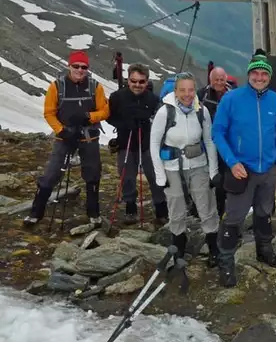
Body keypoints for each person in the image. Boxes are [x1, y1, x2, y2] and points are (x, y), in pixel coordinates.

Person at [212, 54, 276, 287]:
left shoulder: (275, 100)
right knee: (234, 218)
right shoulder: (231, 99)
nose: (259, 77)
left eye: (264, 74)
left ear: (269, 77)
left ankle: (264, 251)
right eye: (255, 73)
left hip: (267, 168)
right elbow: (217, 133)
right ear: (248, 75)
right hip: (241, 170)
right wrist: (232, 162)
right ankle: (225, 263)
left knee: (264, 213)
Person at [24, 51, 110, 226]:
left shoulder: (96, 87)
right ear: (68, 66)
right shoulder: (57, 86)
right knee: (52, 173)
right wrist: (61, 131)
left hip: (89, 137)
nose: (80, 70)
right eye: (76, 66)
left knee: (93, 174)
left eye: (83, 67)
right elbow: (49, 113)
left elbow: (105, 111)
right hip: (65, 137)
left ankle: (94, 213)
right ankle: (35, 213)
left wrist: (89, 117)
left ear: (88, 68)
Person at [149, 72, 219, 264]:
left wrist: (213, 172)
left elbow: (209, 142)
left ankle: (214, 248)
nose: (187, 94)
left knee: (206, 207)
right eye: (183, 90)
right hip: (172, 168)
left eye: (190, 90)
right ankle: (178, 248)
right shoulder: (165, 112)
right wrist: (160, 176)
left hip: (199, 165)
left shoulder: (201, 110)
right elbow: (154, 145)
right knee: (176, 209)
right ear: (175, 90)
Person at [106, 63, 168, 225]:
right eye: (134, 81)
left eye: (141, 82)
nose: (137, 85)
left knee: (155, 178)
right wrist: (123, 123)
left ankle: (161, 209)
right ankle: (130, 208)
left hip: (148, 144)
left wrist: (147, 121)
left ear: (147, 81)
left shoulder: (153, 99)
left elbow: (161, 120)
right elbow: (108, 117)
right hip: (125, 144)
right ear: (128, 80)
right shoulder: (117, 97)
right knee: (127, 178)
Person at [198, 66, 233, 219]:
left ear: (225, 79)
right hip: (206, 142)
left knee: (226, 176)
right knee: (207, 176)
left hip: (227, 143)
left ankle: (223, 210)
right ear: (210, 80)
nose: (219, 82)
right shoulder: (201, 95)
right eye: (216, 80)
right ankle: (203, 210)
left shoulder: (234, 94)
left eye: (221, 79)